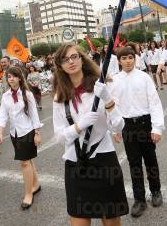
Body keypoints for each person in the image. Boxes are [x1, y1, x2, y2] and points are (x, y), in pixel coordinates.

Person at [53, 44, 128, 224]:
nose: (71, 62)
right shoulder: (59, 96)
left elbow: (118, 127)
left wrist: (108, 100)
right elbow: (59, 136)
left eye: (74, 56)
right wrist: (79, 127)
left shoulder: (101, 86)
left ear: (82, 58)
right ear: (60, 65)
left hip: (104, 162)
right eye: (65, 59)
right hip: (75, 165)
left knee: (111, 221)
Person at [112, 46, 164, 218]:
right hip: (127, 126)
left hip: (145, 123)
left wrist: (157, 128)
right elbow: (113, 107)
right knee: (134, 163)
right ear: (119, 61)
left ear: (134, 59)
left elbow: (154, 103)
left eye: (130, 57)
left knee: (150, 160)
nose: (127, 61)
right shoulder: (114, 80)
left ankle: (156, 191)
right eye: (124, 58)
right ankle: (139, 199)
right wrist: (115, 128)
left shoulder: (144, 77)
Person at [0, 66, 42, 210]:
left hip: (27, 132)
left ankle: (28, 194)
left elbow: (34, 114)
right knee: (28, 160)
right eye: (9, 77)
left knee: (24, 163)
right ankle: (36, 184)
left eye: (14, 76)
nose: (11, 79)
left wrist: (37, 133)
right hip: (14, 133)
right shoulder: (5, 96)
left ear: (20, 78)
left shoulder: (27, 94)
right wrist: (0, 131)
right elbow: (3, 115)